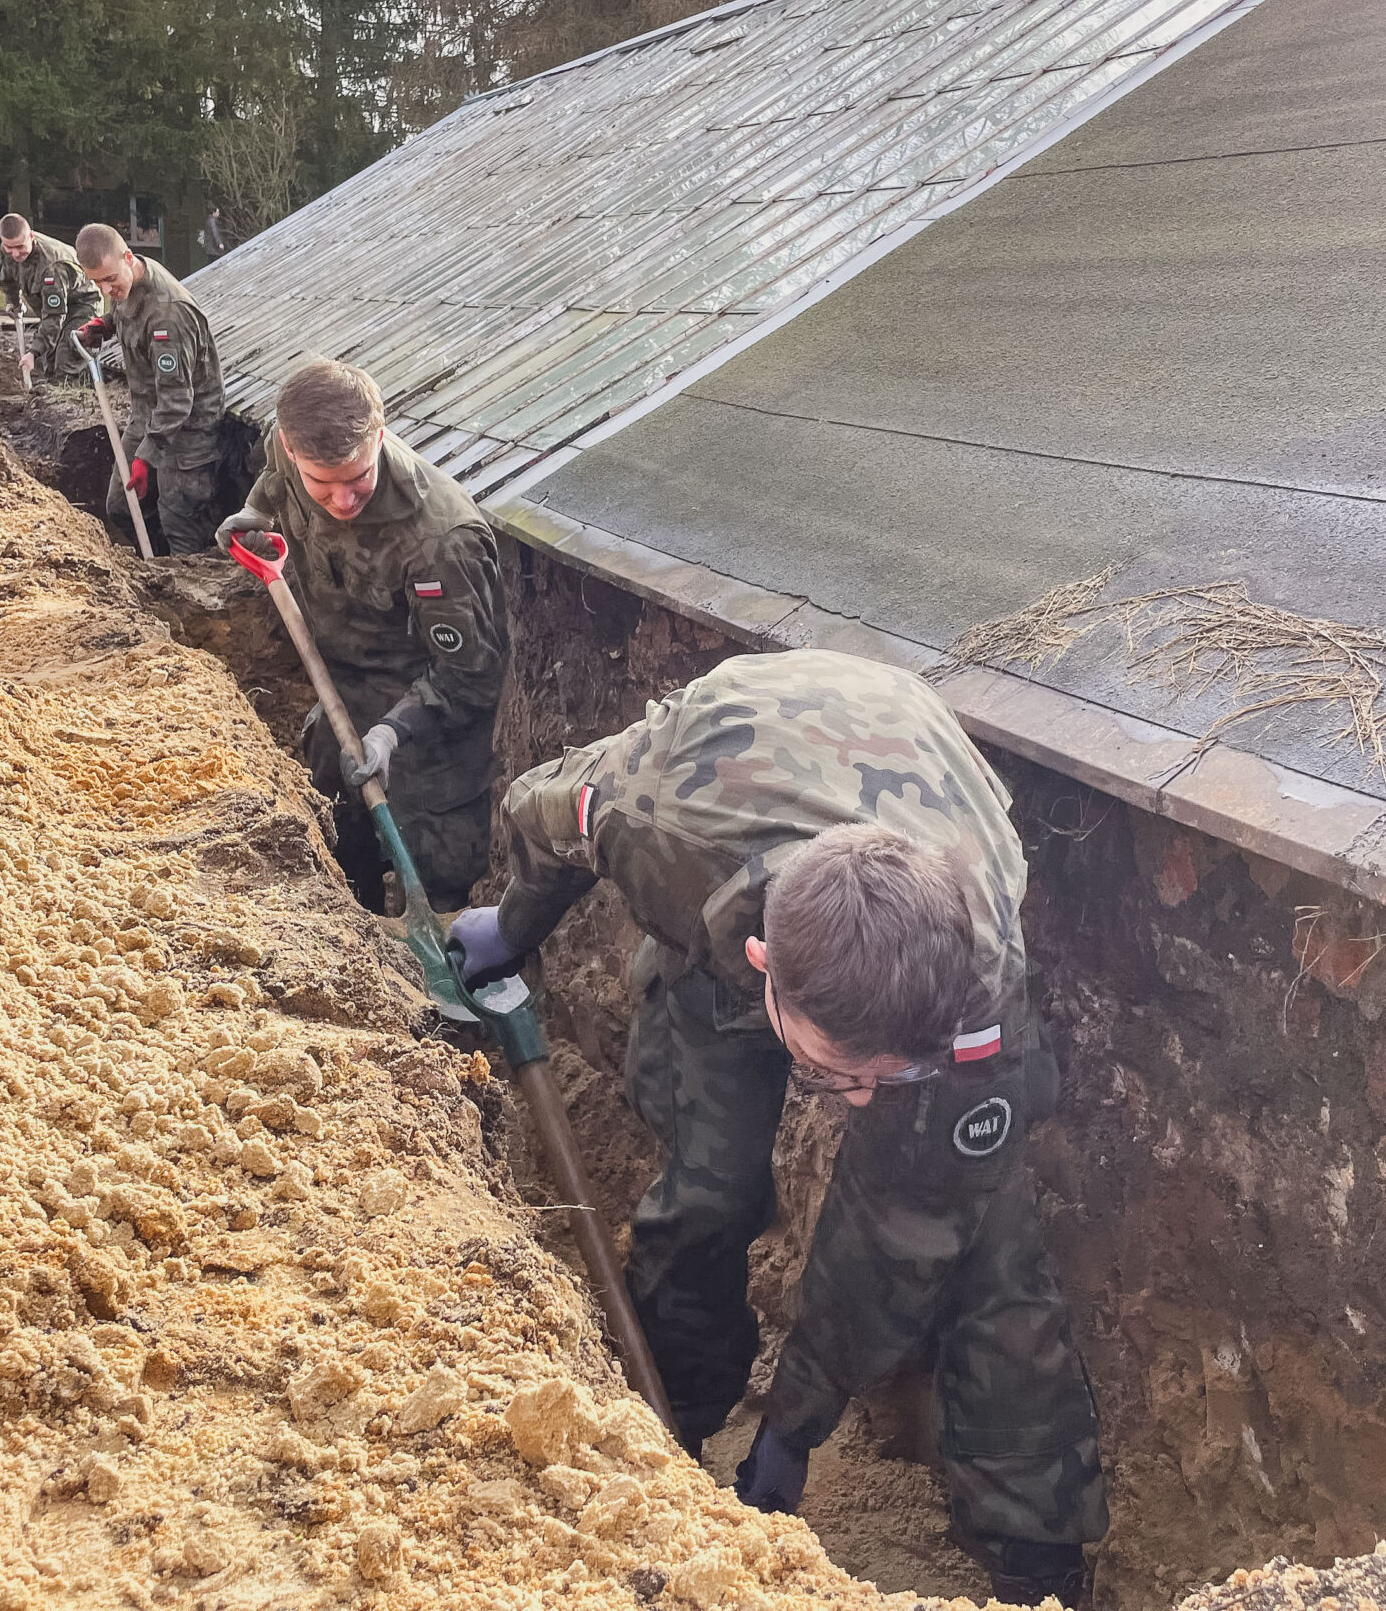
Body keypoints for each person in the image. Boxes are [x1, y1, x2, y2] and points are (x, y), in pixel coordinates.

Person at [450, 650, 1106, 1607]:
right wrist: (513, 927)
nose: (862, 1102)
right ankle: (665, 1420)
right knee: (710, 1190)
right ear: (763, 966)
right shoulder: (658, 820)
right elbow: (544, 812)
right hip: (741, 783)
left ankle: (1037, 1555)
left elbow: (897, 1231)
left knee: (986, 1249)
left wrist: (793, 1427)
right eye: (837, 1076)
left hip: (907, 760)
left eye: (892, 1076)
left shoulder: (976, 976)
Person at [213, 358, 505, 910]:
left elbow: (473, 677)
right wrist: (256, 511)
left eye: (358, 478)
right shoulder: (288, 446)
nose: (344, 501)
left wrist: (392, 734)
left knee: (436, 877)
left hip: (430, 730)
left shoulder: (442, 541)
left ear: (380, 433)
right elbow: (276, 480)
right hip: (341, 697)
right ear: (292, 448)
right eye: (322, 484)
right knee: (339, 849)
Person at [73, 221, 228, 555]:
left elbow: (177, 399)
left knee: (180, 521)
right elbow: (126, 309)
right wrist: (107, 324)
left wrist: (147, 456)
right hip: (149, 414)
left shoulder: (168, 316)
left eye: (109, 279)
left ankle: (187, 581)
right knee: (120, 505)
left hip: (189, 426)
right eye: (95, 281)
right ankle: (157, 565)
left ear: (128, 258)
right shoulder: (127, 282)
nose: (104, 290)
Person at [0, 213, 101, 385]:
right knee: (50, 363)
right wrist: (13, 302)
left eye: (20, 247)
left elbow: (54, 316)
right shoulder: (8, 251)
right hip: (55, 308)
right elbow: (8, 279)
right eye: (9, 247)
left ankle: (74, 398)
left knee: (66, 362)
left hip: (82, 306)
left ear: (31, 236)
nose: (15, 253)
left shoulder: (53, 268)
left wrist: (32, 353)